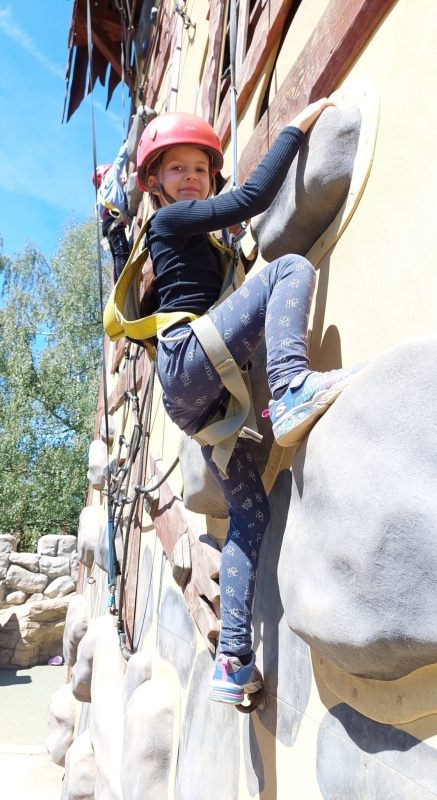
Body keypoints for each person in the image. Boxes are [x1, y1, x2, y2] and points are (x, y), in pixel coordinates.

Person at [135, 102, 364, 705]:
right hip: (191, 358)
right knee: (288, 269)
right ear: (155, 182)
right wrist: (295, 127)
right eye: (177, 169)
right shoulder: (170, 222)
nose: (191, 177)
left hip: (197, 399)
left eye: (199, 169)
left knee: (250, 512)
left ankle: (233, 659)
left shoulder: (201, 241)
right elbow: (253, 198)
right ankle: (290, 388)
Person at [92, 141, 131, 281]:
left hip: (108, 224)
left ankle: (118, 285)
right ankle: (123, 283)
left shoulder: (99, 198)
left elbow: (100, 218)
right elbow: (121, 158)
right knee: (122, 254)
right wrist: (128, 143)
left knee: (116, 257)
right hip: (114, 219)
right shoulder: (110, 175)